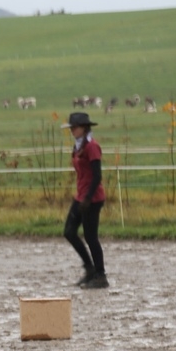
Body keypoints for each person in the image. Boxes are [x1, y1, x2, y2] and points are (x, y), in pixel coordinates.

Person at [63, 112, 108, 289]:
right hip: (81, 196)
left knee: (91, 237)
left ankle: (101, 275)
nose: (72, 130)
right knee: (69, 232)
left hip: (92, 198)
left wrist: (88, 197)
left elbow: (97, 176)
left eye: (75, 127)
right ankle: (89, 269)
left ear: (84, 128)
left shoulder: (92, 147)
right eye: (71, 128)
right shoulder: (78, 147)